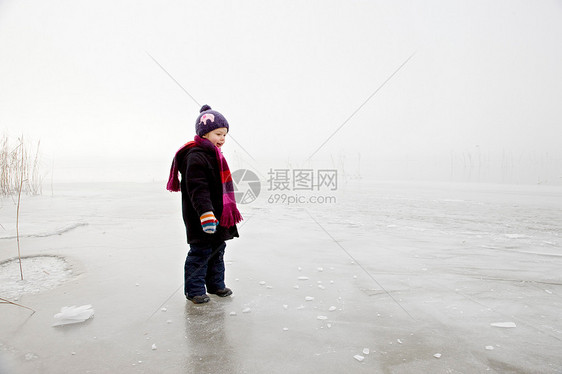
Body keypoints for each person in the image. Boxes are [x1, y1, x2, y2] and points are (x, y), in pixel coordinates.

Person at [167, 104, 242, 304]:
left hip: (217, 213)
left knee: (218, 250)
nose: (222, 139)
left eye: (225, 135)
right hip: (201, 214)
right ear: (205, 133)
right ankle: (194, 290)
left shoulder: (215, 155)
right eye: (218, 133)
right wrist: (206, 213)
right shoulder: (195, 156)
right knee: (200, 251)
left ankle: (216, 285)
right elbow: (197, 188)